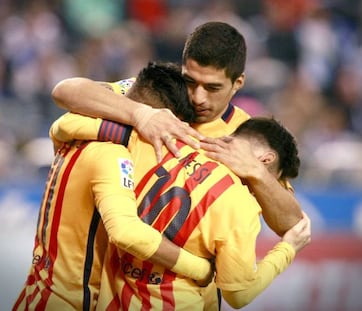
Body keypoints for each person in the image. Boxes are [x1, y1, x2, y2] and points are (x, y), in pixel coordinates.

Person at [51, 21, 305, 309]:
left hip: (192, 299)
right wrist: (141, 115)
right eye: (191, 81)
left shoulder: (248, 135)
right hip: (119, 290)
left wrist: (256, 173)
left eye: (212, 88)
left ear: (238, 83)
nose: (198, 97)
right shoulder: (160, 98)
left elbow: (291, 223)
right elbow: (66, 91)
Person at [12, 62, 214, 311]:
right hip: (70, 301)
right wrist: (202, 269)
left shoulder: (82, 125)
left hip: (38, 292)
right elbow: (125, 231)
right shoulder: (113, 155)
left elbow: (60, 126)